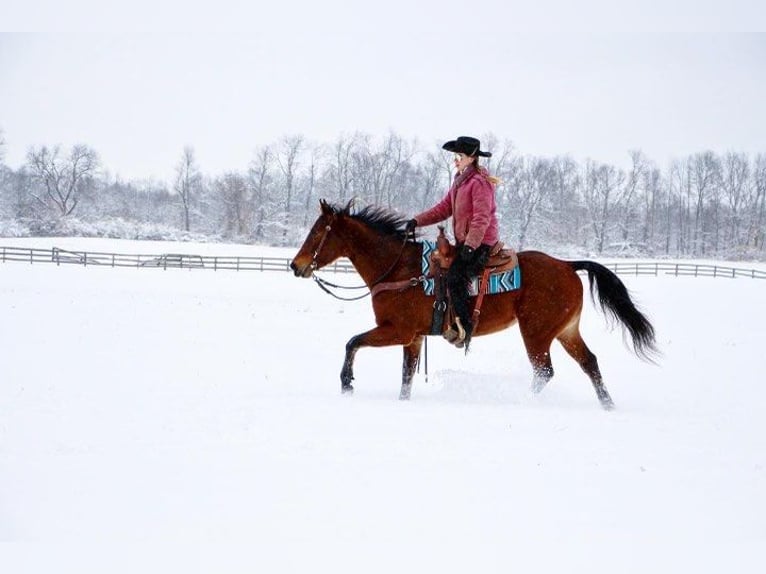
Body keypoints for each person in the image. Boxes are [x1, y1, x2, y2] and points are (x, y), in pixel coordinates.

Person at [406, 136, 500, 350]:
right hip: (466, 241)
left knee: (456, 276)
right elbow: (443, 208)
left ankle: (464, 328)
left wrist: (471, 244)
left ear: (471, 158)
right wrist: (417, 221)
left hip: (481, 241)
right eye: (455, 156)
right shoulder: (460, 181)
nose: (455, 160)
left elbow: (481, 218)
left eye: (459, 156)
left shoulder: (479, 183)